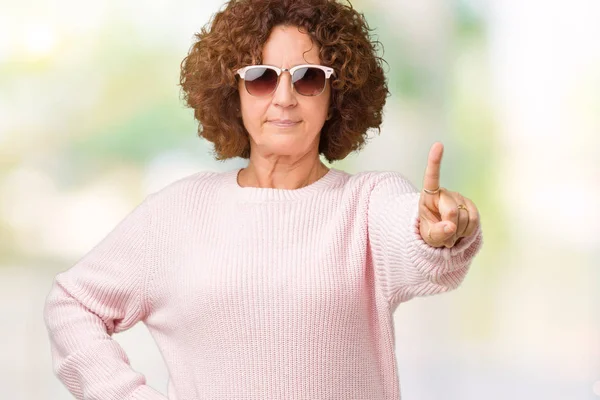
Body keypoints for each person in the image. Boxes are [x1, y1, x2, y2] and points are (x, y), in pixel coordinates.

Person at [43, 0, 484, 399]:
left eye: (309, 78)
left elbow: (416, 242)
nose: (284, 98)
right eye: (260, 77)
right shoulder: (178, 213)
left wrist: (438, 233)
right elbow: (73, 303)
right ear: (232, 93)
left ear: (335, 97)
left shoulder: (367, 204)